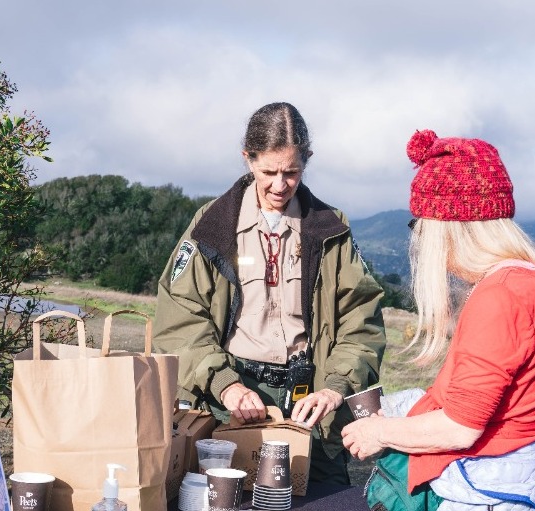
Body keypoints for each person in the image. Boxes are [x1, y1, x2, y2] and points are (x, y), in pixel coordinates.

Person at [341, 129, 535, 511]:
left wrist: (381, 431)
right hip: (518, 506)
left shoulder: (499, 298)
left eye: (420, 226)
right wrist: (403, 407)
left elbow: (460, 426)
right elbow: (495, 400)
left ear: (449, 226)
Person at [153, 102, 386, 484]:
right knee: (223, 506)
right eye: (269, 172)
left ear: (306, 161)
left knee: (312, 507)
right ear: (248, 159)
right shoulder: (211, 226)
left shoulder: (331, 229)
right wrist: (223, 386)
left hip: (309, 400)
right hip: (230, 397)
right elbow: (179, 316)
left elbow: (361, 320)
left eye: (292, 172)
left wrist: (335, 388)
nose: (280, 185)